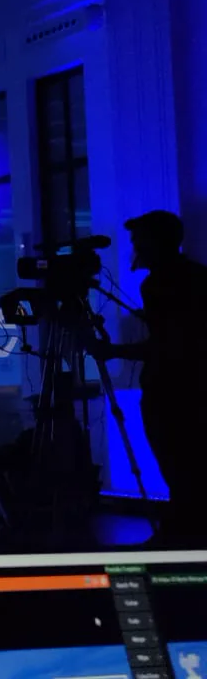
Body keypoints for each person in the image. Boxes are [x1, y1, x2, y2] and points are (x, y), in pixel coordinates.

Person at [91, 210, 207, 546]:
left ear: (155, 241)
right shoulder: (197, 276)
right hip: (195, 387)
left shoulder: (157, 284)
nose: (135, 246)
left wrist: (114, 352)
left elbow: (167, 343)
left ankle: (181, 537)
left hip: (170, 390)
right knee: (192, 463)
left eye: (138, 239)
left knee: (175, 461)